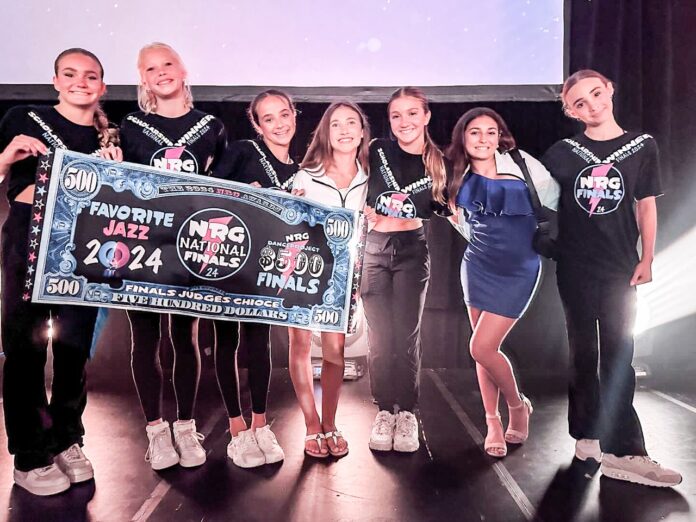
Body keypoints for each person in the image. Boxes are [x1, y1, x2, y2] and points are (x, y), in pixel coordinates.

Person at [541, 69, 681, 486]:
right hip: (574, 268)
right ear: (570, 111)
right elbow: (544, 205)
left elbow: (646, 205)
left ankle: (625, 451)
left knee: (619, 354)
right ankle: (587, 436)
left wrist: (648, 257)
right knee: (583, 353)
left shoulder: (642, 146)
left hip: (619, 267)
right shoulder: (563, 152)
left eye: (597, 94)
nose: (592, 105)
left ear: (611, 90)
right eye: (580, 103)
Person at [0, 48, 120, 495]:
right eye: (70, 74)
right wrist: (8, 157)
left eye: (91, 76)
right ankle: (29, 455)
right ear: (54, 81)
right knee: (25, 348)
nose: (80, 82)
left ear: (103, 87)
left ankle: (67, 438)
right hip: (30, 238)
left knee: (73, 349)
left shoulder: (109, 141)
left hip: (84, 245)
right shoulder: (23, 118)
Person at [119, 42, 226, 471]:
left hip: (190, 245)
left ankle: (185, 424)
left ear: (183, 70)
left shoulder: (211, 126)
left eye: (168, 64)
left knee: (185, 337)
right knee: (145, 339)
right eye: (151, 68)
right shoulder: (129, 127)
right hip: (143, 245)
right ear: (142, 79)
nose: (161, 72)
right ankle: (156, 431)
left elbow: (225, 187)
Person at [446, 107, 559, 457]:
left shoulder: (522, 163)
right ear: (463, 138)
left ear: (500, 136)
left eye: (490, 132)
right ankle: (492, 421)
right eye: (475, 132)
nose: (483, 138)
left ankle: (517, 406)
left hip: (520, 267)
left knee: (481, 347)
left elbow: (553, 203)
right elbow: (460, 222)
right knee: (483, 350)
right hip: (478, 265)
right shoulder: (455, 174)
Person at [210, 89, 298, 468]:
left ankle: (261, 424)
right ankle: (236, 429)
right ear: (257, 125)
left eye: (284, 114)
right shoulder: (244, 151)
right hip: (228, 261)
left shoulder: (302, 170)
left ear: (294, 115)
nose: (279, 124)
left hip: (267, 269)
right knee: (227, 340)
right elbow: (207, 194)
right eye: (269, 118)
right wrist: (244, 194)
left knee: (259, 342)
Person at [363, 87, 448, 453]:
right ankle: (384, 411)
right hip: (373, 250)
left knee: (407, 335)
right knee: (380, 337)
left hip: (412, 251)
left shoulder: (439, 162)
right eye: (396, 115)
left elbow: (452, 207)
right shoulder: (377, 150)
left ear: (426, 116)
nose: (404, 122)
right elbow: (349, 183)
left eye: (412, 113)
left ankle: (408, 413)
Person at [287, 100, 371, 458]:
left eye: (351, 122)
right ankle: (311, 425)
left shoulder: (371, 175)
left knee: (335, 350)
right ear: (325, 132)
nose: (344, 130)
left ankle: (331, 422)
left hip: (344, 274)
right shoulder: (307, 175)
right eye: (336, 124)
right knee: (302, 346)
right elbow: (288, 222)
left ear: (363, 132)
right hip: (303, 269)